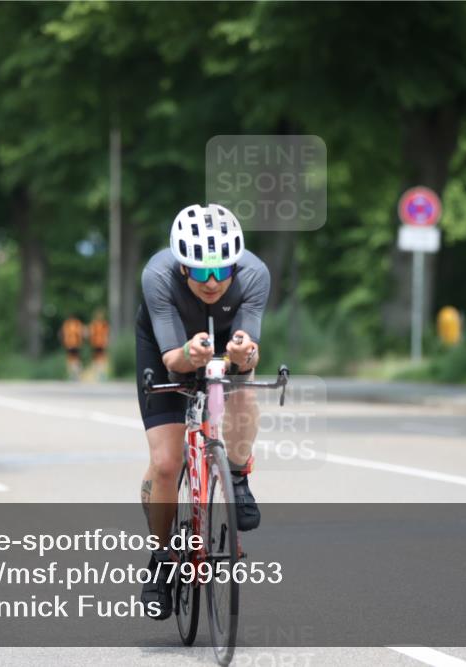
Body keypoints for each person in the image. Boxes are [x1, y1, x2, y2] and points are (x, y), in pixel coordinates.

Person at [136, 203, 270, 619]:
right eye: (199, 272)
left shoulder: (255, 274)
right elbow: (174, 362)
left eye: (221, 271)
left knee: (244, 388)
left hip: (228, 340)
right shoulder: (157, 276)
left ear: (235, 264)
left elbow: (249, 354)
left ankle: (236, 476)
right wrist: (189, 355)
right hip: (169, 348)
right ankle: (161, 561)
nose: (212, 282)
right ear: (182, 267)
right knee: (165, 463)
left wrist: (243, 355)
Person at [88, 311, 110, 380]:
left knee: (102, 358)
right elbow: (91, 333)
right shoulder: (95, 324)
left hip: (101, 343)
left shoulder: (104, 324)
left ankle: (101, 374)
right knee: (97, 359)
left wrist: (106, 341)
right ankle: (98, 374)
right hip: (96, 343)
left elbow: (106, 334)